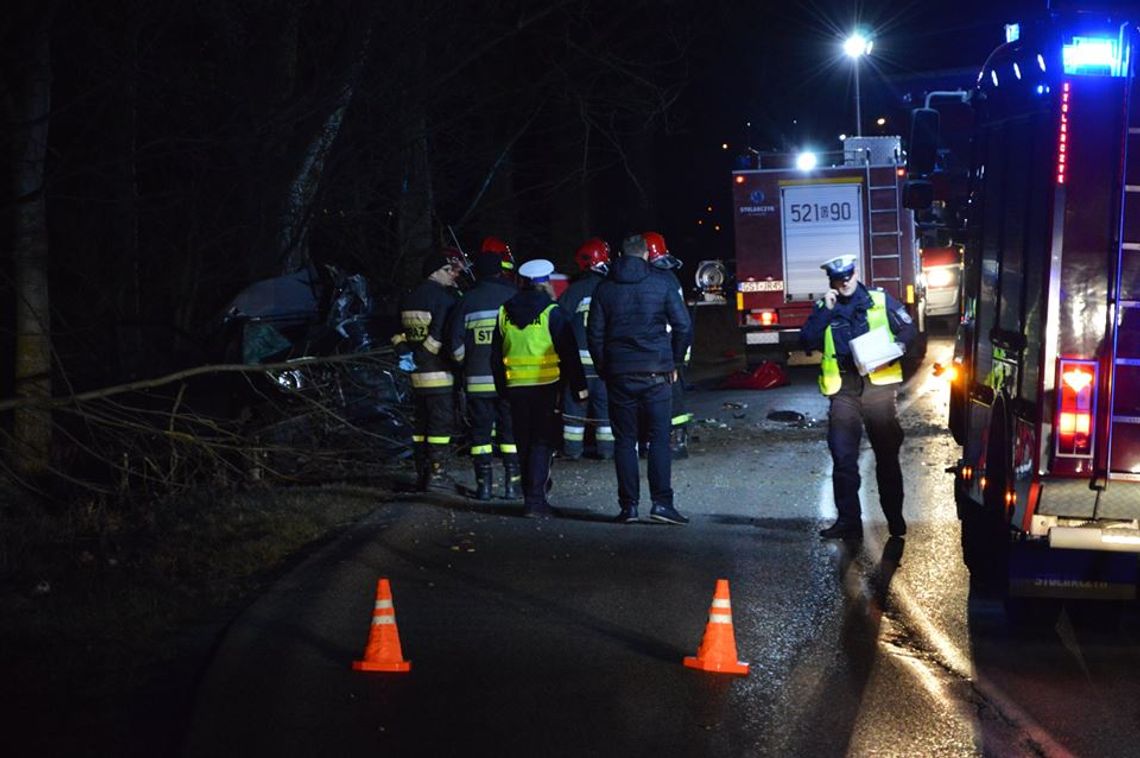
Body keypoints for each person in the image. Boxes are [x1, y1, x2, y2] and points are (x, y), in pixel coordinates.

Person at [799, 254, 917, 540]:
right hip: (844, 391)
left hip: (877, 388)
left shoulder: (879, 299)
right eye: (839, 280)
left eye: (848, 276)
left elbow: (909, 328)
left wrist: (899, 346)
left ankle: (894, 519)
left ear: (855, 274)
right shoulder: (824, 308)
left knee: (887, 458)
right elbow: (806, 342)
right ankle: (849, 523)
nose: (845, 283)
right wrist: (825, 312)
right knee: (843, 459)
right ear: (832, 282)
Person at [587, 233, 693, 525]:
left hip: (619, 374)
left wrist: (605, 367)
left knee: (625, 441)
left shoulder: (604, 288)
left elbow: (594, 334)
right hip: (657, 373)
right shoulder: (663, 284)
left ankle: (628, 507)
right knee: (659, 439)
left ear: (621, 254)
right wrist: (675, 361)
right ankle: (661, 504)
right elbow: (683, 325)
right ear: (647, 254)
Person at [491, 259, 587, 518]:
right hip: (545, 388)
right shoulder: (552, 312)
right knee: (541, 444)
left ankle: (530, 496)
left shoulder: (504, 312)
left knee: (523, 443)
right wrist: (580, 388)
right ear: (545, 283)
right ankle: (536, 501)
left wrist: (502, 388)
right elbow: (569, 353)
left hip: (514, 389)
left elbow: (495, 355)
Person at [448, 250, 520, 500]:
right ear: (501, 271)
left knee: (480, 435)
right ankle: (513, 486)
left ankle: (484, 488)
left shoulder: (467, 300)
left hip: (477, 381)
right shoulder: (513, 297)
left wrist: (465, 365)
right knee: (510, 434)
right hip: (509, 380)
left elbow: (455, 344)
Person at [393, 248, 464, 491]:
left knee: (420, 428)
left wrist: (405, 353)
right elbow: (441, 335)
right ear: (436, 272)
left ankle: (422, 474)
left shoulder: (409, 297)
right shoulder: (444, 299)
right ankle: (438, 472)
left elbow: (395, 332)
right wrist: (423, 356)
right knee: (440, 428)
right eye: (448, 270)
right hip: (439, 375)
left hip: (415, 377)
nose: (453, 274)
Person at [558, 237, 614, 460]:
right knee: (606, 412)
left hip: (578, 366)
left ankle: (572, 452)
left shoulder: (575, 291)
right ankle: (607, 452)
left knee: (574, 411)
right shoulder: (612, 289)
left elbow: (558, 322)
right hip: (605, 364)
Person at [644, 231, 692, 459]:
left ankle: (665, 440)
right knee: (674, 393)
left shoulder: (653, 279)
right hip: (675, 346)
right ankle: (677, 440)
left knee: (662, 394)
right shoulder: (670, 277)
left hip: (662, 346)